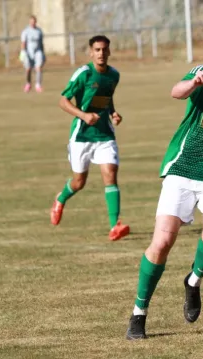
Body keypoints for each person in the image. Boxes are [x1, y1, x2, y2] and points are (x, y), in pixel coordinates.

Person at [125, 23, 203, 340]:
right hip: (183, 167)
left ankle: (193, 281)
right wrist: (194, 83)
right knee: (163, 241)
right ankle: (138, 314)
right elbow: (175, 91)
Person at [50, 35, 130, 242]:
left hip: (104, 134)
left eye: (104, 49)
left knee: (110, 175)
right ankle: (60, 199)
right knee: (79, 182)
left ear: (109, 51)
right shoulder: (83, 74)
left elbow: (106, 96)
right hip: (82, 135)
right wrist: (84, 115)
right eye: (97, 50)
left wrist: (113, 113)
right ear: (90, 52)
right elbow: (63, 101)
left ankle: (115, 226)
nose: (101, 53)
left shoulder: (114, 75)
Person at [20, 15, 46, 93]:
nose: (32, 23)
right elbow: (23, 42)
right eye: (31, 21)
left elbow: (41, 43)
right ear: (29, 22)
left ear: (36, 22)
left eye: (34, 22)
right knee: (28, 69)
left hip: (37, 51)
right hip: (28, 52)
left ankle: (38, 85)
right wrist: (23, 52)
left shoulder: (39, 31)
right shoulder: (26, 31)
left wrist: (43, 53)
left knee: (38, 68)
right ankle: (28, 83)